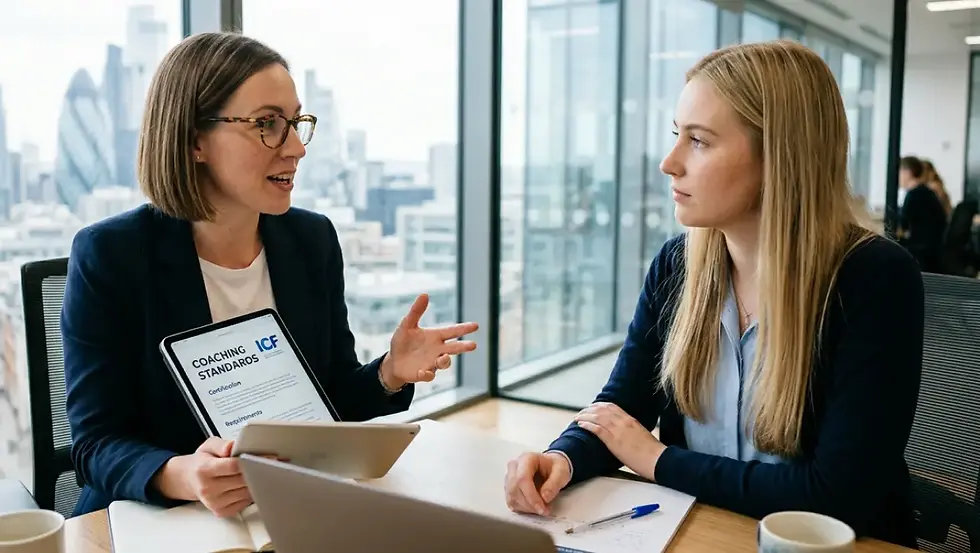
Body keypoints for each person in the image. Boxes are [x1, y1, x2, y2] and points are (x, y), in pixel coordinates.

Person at [503, 40, 923, 549]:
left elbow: (835, 496)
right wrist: (561, 460)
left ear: (779, 156)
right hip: (699, 533)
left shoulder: (874, 279)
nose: (669, 163)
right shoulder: (678, 266)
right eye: (677, 135)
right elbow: (622, 408)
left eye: (698, 141)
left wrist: (656, 459)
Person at [62, 32, 479, 518]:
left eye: (296, 123)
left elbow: (329, 405)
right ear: (195, 140)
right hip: (155, 520)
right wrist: (186, 475)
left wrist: (389, 373)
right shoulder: (112, 254)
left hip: (282, 505)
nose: (296, 149)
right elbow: (95, 443)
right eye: (267, 124)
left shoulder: (311, 241)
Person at [898, 156, 948, 273]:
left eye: (899, 172)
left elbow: (903, 224)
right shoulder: (927, 193)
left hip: (922, 255)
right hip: (931, 251)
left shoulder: (914, 195)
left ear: (907, 172)